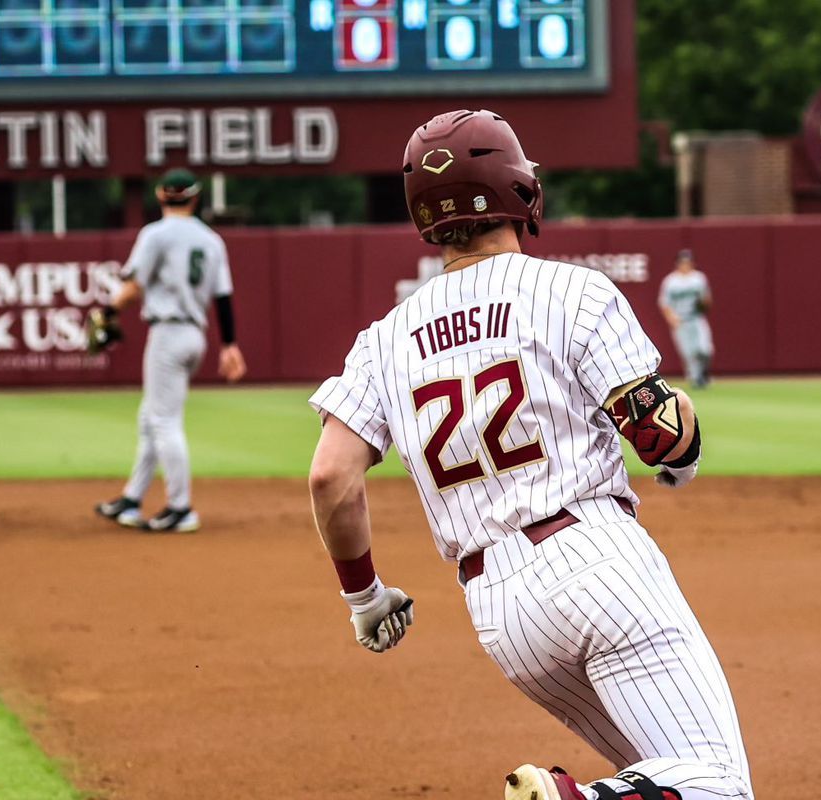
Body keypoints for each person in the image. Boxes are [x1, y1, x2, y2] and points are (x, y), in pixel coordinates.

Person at [307, 110, 752, 800]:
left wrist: (365, 597)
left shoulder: (384, 340)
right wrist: (685, 446)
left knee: (670, 780)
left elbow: (331, 476)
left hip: (501, 611)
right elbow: (658, 435)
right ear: (519, 188)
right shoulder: (571, 292)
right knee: (720, 785)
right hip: (596, 564)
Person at [93, 168, 247, 532]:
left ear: (161, 197)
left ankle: (181, 507)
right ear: (195, 198)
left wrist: (107, 312)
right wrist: (229, 345)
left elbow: (132, 288)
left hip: (167, 333)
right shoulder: (211, 240)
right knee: (151, 417)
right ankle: (131, 499)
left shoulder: (155, 234)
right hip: (195, 334)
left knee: (163, 421)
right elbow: (223, 297)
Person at [658, 249, 714, 388]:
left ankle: (703, 372)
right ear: (677, 264)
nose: (685, 265)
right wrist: (671, 318)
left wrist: (704, 303)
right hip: (680, 320)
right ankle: (697, 379)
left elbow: (706, 300)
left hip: (696, 317)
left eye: (687, 262)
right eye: (683, 262)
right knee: (689, 353)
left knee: (705, 350)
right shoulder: (671, 281)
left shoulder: (698, 278)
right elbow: (664, 303)